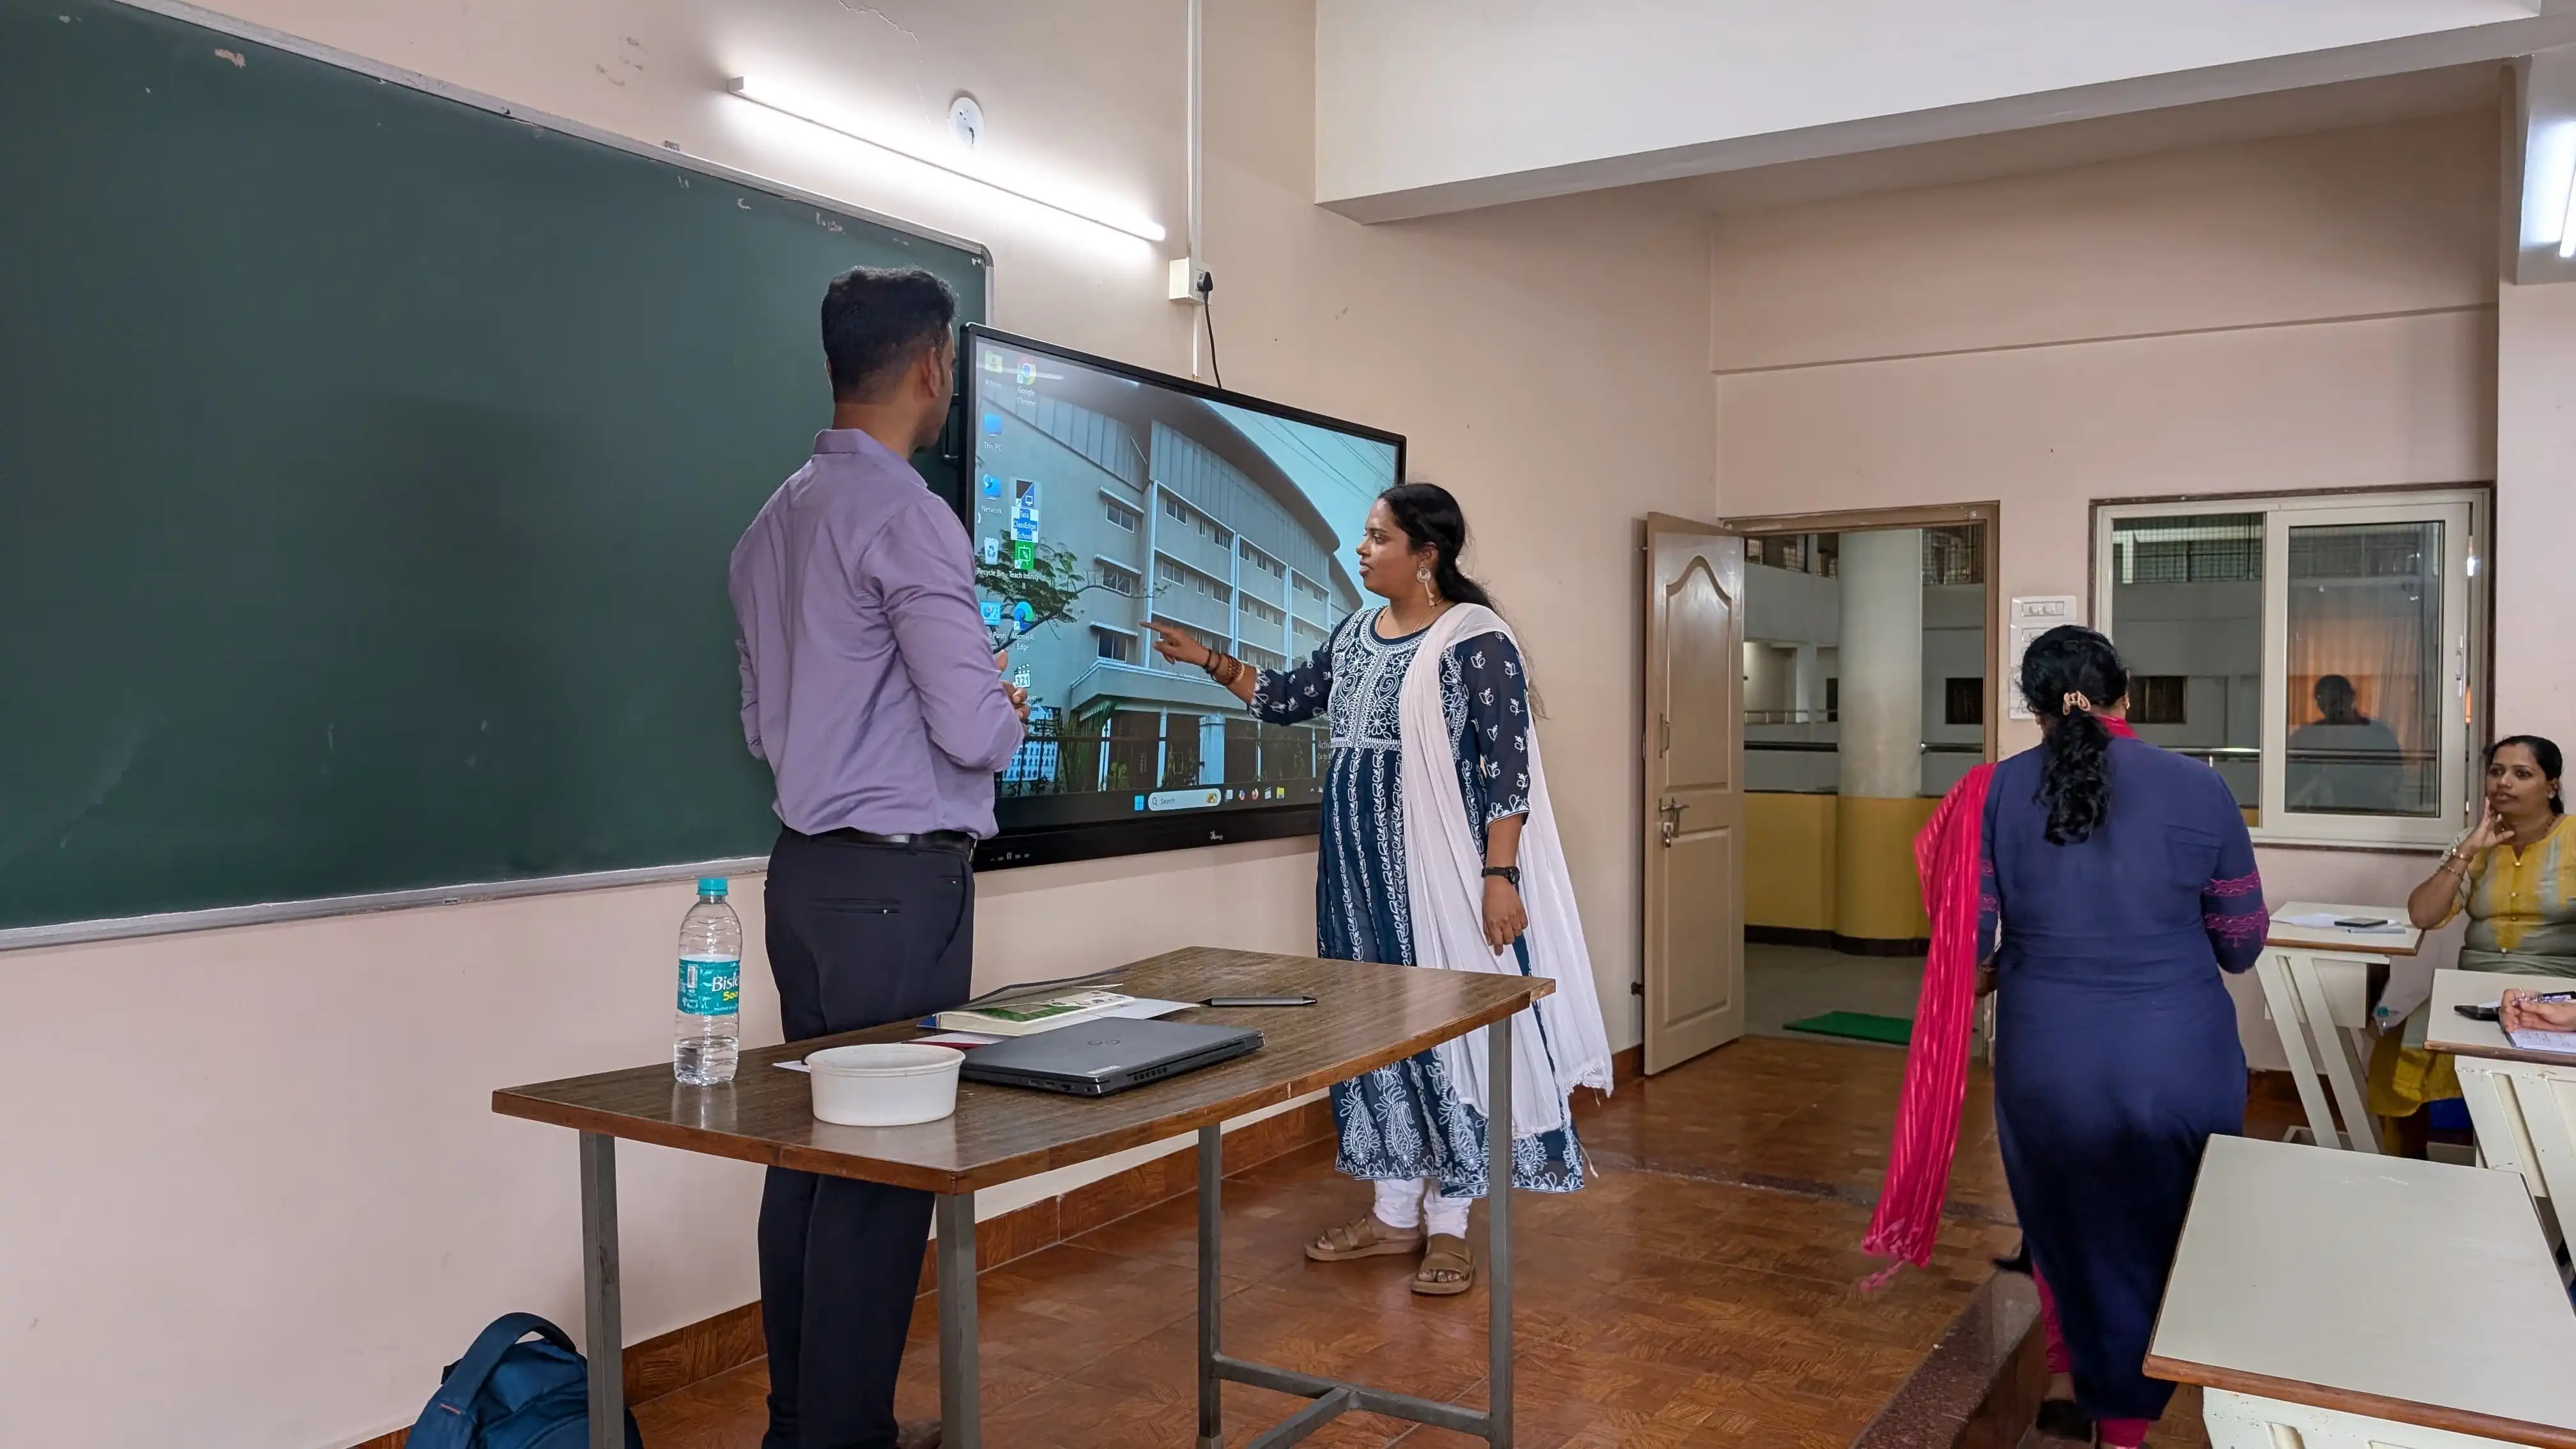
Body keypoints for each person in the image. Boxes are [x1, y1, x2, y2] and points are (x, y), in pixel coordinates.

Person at [1144, 483, 1613, 1296]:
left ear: (1425, 555)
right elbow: (1289, 700)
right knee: (1368, 1034)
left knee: (1446, 1033)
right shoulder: (1357, 633)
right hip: (1355, 877)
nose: (1362, 550)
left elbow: (1510, 773)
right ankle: (1394, 1211)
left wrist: (1498, 877)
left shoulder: (1477, 640)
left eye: (1376, 537)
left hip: (1440, 881)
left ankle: (1451, 1225)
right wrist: (1210, 660)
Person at [727, 266, 1026, 1449]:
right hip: (897, 887)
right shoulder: (907, 515)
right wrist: (1003, 703)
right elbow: (969, 725)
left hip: (803, 875)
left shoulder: (772, 519)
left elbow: (764, 725)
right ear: (930, 368)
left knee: (807, 1156)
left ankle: (803, 1422)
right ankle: (842, 1437)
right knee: (879, 1168)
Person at [1977, 626, 2267, 1448]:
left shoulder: (1996, 792)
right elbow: (2241, 943)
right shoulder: (2199, 789)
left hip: (2047, 1054)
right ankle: (2132, 1424)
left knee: (2063, 1214)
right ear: (2125, 695)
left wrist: (2006, 967)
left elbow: (1965, 948)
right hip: (2175, 1054)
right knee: (2164, 1229)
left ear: (2032, 707)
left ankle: (2072, 1375)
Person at [2371, 736, 2576, 1140]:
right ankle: (2415, 1175)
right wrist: (2467, 850)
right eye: (2497, 772)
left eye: (2522, 774)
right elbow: (2423, 915)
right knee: (2398, 1058)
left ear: (2551, 786)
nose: (2504, 783)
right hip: (2472, 990)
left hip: (2557, 992)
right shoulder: (2475, 841)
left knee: (2526, 1083)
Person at [2285, 675, 2405, 814]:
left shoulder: (2379, 734)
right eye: (2323, 702)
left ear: (2351, 697)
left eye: (2335, 701)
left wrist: (2349, 776)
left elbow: (2393, 782)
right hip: (2321, 818)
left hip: (2372, 816)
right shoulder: (2307, 736)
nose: (2331, 709)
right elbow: (2290, 787)